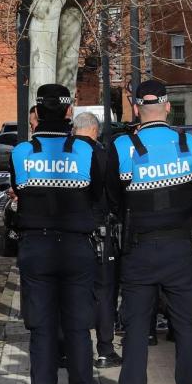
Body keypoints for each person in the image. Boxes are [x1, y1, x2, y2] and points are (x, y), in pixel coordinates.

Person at [109, 80, 192, 384]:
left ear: (136, 109)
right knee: (186, 329)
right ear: (168, 107)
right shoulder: (190, 144)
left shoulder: (123, 146)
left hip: (138, 251)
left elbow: (112, 200)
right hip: (180, 249)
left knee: (136, 331)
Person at [10, 84, 107, 384]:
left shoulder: (21, 152)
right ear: (69, 112)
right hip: (76, 248)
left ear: (37, 111)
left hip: (36, 248)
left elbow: (19, 190)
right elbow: (99, 196)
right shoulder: (85, 150)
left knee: (41, 332)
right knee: (79, 331)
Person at [73, 112, 123, 369]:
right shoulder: (103, 154)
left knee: (71, 293)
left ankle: (71, 352)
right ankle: (105, 350)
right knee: (104, 293)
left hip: (68, 233)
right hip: (99, 232)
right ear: (94, 130)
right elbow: (114, 194)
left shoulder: (64, 154)